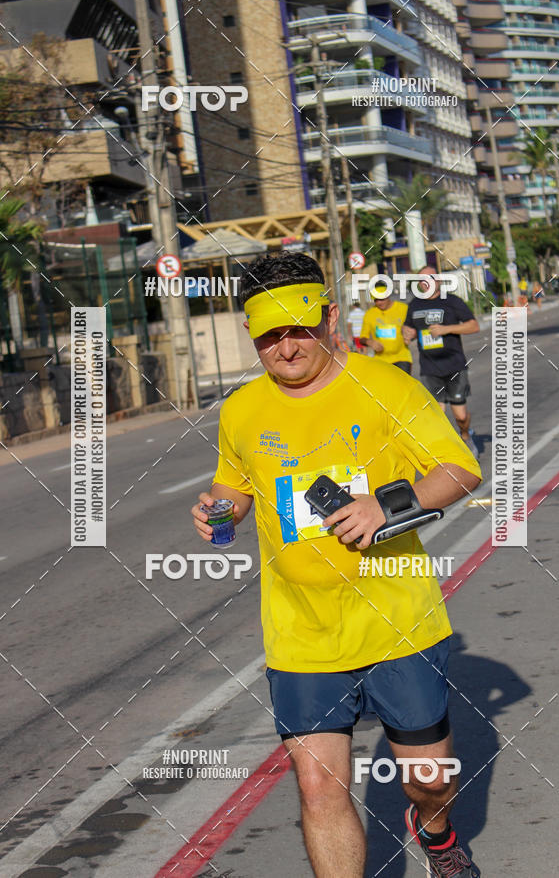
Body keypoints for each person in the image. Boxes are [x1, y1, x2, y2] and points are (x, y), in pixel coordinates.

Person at [191, 252, 482, 878]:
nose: (286, 347)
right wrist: (221, 511)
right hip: (301, 633)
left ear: (327, 318)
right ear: (252, 332)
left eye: (298, 329)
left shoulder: (388, 387)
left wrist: (384, 504)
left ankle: (436, 834)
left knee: (429, 781)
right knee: (320, 789)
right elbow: (235, 487)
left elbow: (461, 470)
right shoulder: (241, 410)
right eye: (270, 335)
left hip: (397, 620)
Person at [402, 266, 480, 460]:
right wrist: (407, 333)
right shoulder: (415, 305)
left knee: (460, 416)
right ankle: (448, 452)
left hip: (454, 365)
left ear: (437, 280)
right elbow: (408, 328)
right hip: (430, 368)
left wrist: (446, 330)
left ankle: (465, 436)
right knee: (437, 416)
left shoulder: (452, 301)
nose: (424, 283)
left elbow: (474, 326)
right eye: (420, 280)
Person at [359, 283, 413, 373]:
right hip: (381, 360)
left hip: (402, 357)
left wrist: (410, 335)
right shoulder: (369, 314)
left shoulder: (403, 308)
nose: (379, 303)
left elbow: (414, 328)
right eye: (376, 300)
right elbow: (362, 338)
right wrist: (370, 342)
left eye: (381, 299)